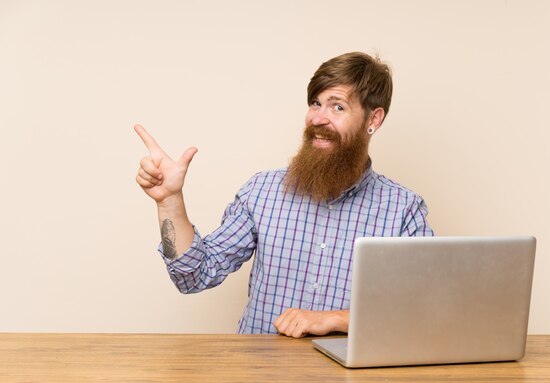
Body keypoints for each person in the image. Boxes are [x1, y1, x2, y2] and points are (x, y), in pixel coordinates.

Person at [134, 52, 434, 338]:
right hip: (259, 373)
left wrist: (338, 319)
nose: (318, 118)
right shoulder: (263, 191)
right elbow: (194, 275)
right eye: (315, 103)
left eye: (337, 107)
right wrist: (169, 201)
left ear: (373, 120)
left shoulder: (403, 210)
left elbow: (423, 308)